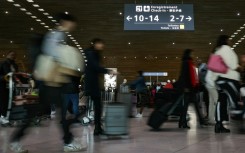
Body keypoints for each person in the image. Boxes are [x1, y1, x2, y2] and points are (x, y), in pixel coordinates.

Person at [10, 13, 86, 153]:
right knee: (52, 113)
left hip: (51, 83)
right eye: (71, 23)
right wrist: (69, 70)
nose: (73, 26)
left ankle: (16, 140)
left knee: (53, 113)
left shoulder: (58, 35)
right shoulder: (57, 34)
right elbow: (52, 55)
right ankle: (67, 143)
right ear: (64, 22)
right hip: (50, 83)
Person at [84, 38, 117, 136]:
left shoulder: (94, 54)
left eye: (102, 44)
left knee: (98, 106)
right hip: (92, 83)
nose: (102, 46)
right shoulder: (91, 53)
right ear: (94, 44)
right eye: (99, 44)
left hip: (93, 83)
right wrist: (109, 71)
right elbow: (95, 67)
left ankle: (98, 128)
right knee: (97, 106)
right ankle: (97, 127)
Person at [212, 35, 241, 133]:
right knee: (235, 100)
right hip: (228, 79)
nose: (231, 41)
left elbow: (214, 67)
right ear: (226, 40)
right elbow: (232, 65)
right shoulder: (226, 49)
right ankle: (240, 125)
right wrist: (238, 67)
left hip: (219, 80)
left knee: (221, 101)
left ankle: (219, 124)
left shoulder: (217, 50)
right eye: (229, 39)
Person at [177, 49, 207, 129]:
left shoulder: (189, 62)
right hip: (188, 88)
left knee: (192, 105)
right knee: (188, 106)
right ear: (189, 54)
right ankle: (184, 122)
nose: (193, 55)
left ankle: (183, 122)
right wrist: (185, 87)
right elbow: (184, 75)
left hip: (191, 88)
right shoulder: (186, 62)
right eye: (192, 53)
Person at [0, 51, 18, 125]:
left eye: (14, 55)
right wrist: (4, 78)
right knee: (3, 101)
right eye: (11, 54)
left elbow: (16, 75)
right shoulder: (3, 63)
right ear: (7, 55)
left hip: (11, 86)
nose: (12, 56)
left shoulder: (15, 65)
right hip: (3, 85)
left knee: (10, 101)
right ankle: (2, 116)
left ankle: (7, 116)